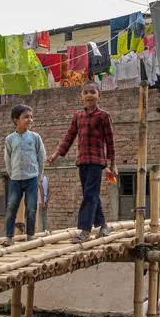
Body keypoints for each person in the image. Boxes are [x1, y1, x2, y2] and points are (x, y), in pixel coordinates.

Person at [48, 82, 116, 243]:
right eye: (86, 92)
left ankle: (85, 231)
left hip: (97, 162)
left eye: (92, 92)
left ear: (99, 95)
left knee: (90, 195)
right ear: (81, 97)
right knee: (90, 194)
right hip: (82, 161)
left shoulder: (104, 116)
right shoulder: (78, 116)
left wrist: (112, 164)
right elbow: (69, 137)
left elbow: (110, 142)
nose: (89, 95)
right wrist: (56, 154)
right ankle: (103, 226)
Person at [2, 104, 46, 246]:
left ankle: (30, 236)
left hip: (32, 178)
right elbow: (7, 159)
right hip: (15, 179)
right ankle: (9, 238)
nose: (30, 120)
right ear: (16, 120)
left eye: (31, 117)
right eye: (26, 117)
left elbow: (41, 157)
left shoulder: (35, 137)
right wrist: (12, 175)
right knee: (11, 207)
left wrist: (39, 176)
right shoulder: (9, 139)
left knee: (31, 208)